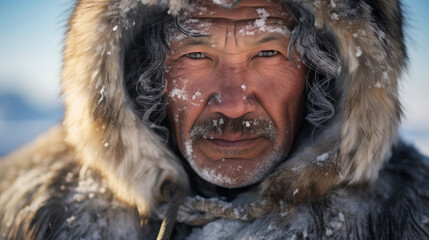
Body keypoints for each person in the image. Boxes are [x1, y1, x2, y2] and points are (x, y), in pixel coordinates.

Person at [1, 0, 428, 239]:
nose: (232, 103)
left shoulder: (405, 220)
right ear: (144, 76)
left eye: (267, 53)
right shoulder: (33, 218)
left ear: (319, 74)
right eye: (196, 55)